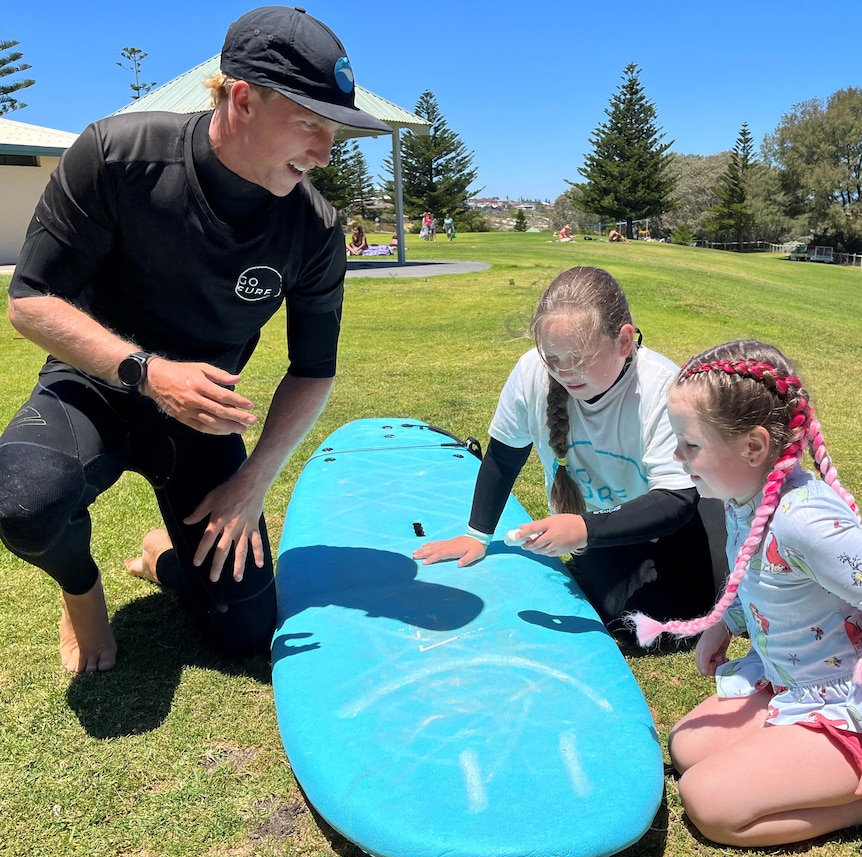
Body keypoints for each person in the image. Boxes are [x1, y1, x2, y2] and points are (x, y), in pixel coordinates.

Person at [0, 6, 391, 674]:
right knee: (22, 503)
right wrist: (148, 373)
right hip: (89, 390)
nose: (326, 153)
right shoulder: (117, 155)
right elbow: (30, 301)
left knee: (245, 634)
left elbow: (313, 369)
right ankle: (81, 589)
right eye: (311, 124)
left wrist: (253, 481)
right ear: (243, 98)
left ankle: (163, 558)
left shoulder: (314, 230)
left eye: (335, 132)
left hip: (199, 426)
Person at [630, 340, 862, 847]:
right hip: (791, 684)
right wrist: (723, 624)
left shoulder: (805, 522)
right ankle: (789, 750)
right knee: (687, 748)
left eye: (689, 444)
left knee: (709, 803)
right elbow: (754, 575)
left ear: (753, 448)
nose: (677, 455)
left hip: (847, 705)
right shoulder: (744, 498)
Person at [413, 266, 722, 636]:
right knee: (627, 621)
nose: (564, 372)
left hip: (680, 515)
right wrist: (476, 535)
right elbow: (503, 458)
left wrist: (582, 527)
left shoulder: (661, 386)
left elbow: (676, 499)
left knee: (711, 602)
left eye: (579, 358)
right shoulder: (531, 372)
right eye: (552, 358)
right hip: (600, 528)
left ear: (624, 342)